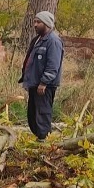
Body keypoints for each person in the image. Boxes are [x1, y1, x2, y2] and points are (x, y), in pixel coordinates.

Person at [18, 10, 64, 142]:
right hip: (35, 83)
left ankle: (44, 140)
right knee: (33, 114)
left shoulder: (53, 41)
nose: (35, 24)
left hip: (44, 86)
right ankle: (39, 137)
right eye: (34, 21)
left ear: (47, 24)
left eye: (38, 22)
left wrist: (44, 82)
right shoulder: (38, 39)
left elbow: (53, 65)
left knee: (42, 113)